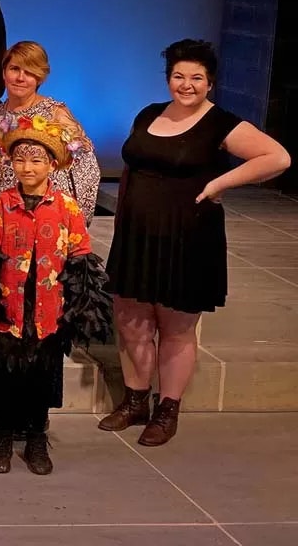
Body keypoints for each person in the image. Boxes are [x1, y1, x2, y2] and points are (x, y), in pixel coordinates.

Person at [102, 39, 290, 446]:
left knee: (176, 327)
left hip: (187, 237)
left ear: (211, 83)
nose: (186, 85)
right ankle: (136, 401)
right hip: (137, 234)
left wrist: (220, 183)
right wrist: (122, 219)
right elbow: (133, 166)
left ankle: (167, 409)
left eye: (196, 78)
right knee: (130, 319)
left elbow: (277, 158)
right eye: (178, 76)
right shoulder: (150, 113)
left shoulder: (221, 123)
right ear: (168, 78)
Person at [0, 112, 112, 475]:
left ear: (52, 164)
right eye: (21, 159)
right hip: (8, 305)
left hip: (49, 307)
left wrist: (79, 307)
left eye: (36, 160)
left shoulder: (66, 208)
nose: (27, 167)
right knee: (6, 373)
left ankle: (36, 437)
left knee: (41, 374)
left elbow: (80, 259)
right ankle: (2, 433)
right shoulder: (2, 204)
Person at [0, 41, 100, 222]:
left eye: (29, 72)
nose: (20, 77)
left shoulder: (56, 115)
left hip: (44, 225)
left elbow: (87, 170)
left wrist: (75, 222)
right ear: (4, 72)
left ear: (40, 78)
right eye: (14, 69)